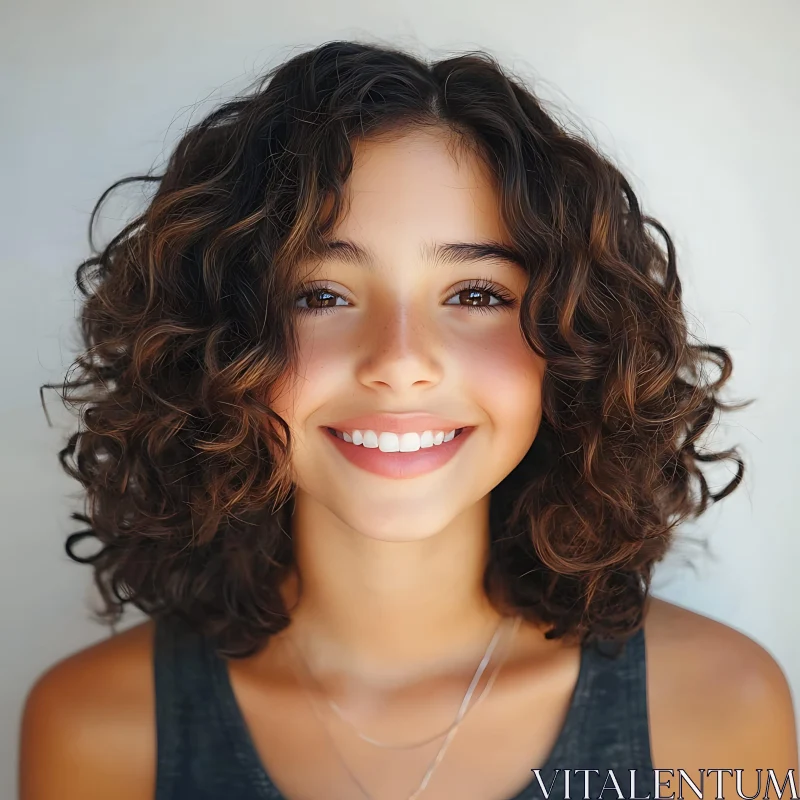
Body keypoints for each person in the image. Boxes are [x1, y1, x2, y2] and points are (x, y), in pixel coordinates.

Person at [19, 39, 797, 800]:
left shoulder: (719, 709)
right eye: (320, 294)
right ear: (215, 345)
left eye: (477, 295)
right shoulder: (96, 727)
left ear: (576, 343)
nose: (399, 361)